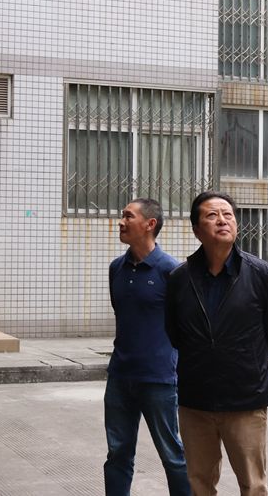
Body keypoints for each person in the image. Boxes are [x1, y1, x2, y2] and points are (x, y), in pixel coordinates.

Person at [165, 191, 268, 496]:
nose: (222, 220)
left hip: (245, 399)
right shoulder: (180, 278)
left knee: (253, 485)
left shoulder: (261, 274)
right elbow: (175, 332)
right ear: (197, 230)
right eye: (211, 215)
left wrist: (247, 361)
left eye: (228, 215)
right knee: (198, 484)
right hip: (196, 400)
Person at [104, 198, 190, 496]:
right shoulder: (116, 268)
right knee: (117, 454)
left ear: (150, 224)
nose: (121, 222)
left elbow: (184, 326)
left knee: (173, 456)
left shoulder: (172, 271)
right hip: (120, 377)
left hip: (159, 379)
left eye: (128, 216)